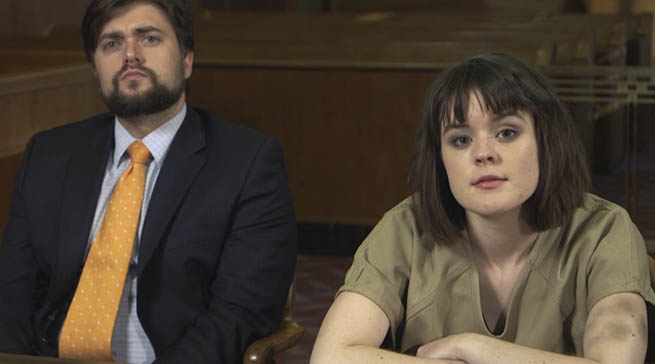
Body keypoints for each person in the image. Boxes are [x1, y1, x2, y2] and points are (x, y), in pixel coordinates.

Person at [0, 0, 297, 363]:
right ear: (95, 67)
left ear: (187, 59)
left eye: (149, 39)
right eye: (111, 43)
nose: (130, 55)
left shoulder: (247, 162)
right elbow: (13, 296)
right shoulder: (47, 155)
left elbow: (239, 313)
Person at [310, 53, 655, 364]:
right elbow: (330, 357)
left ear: (545, 142)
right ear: (440, 159)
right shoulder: (404, 228)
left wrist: (471, 348)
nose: (483, 153)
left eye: (506, 132)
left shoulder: (605, 231)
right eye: (461, 139)